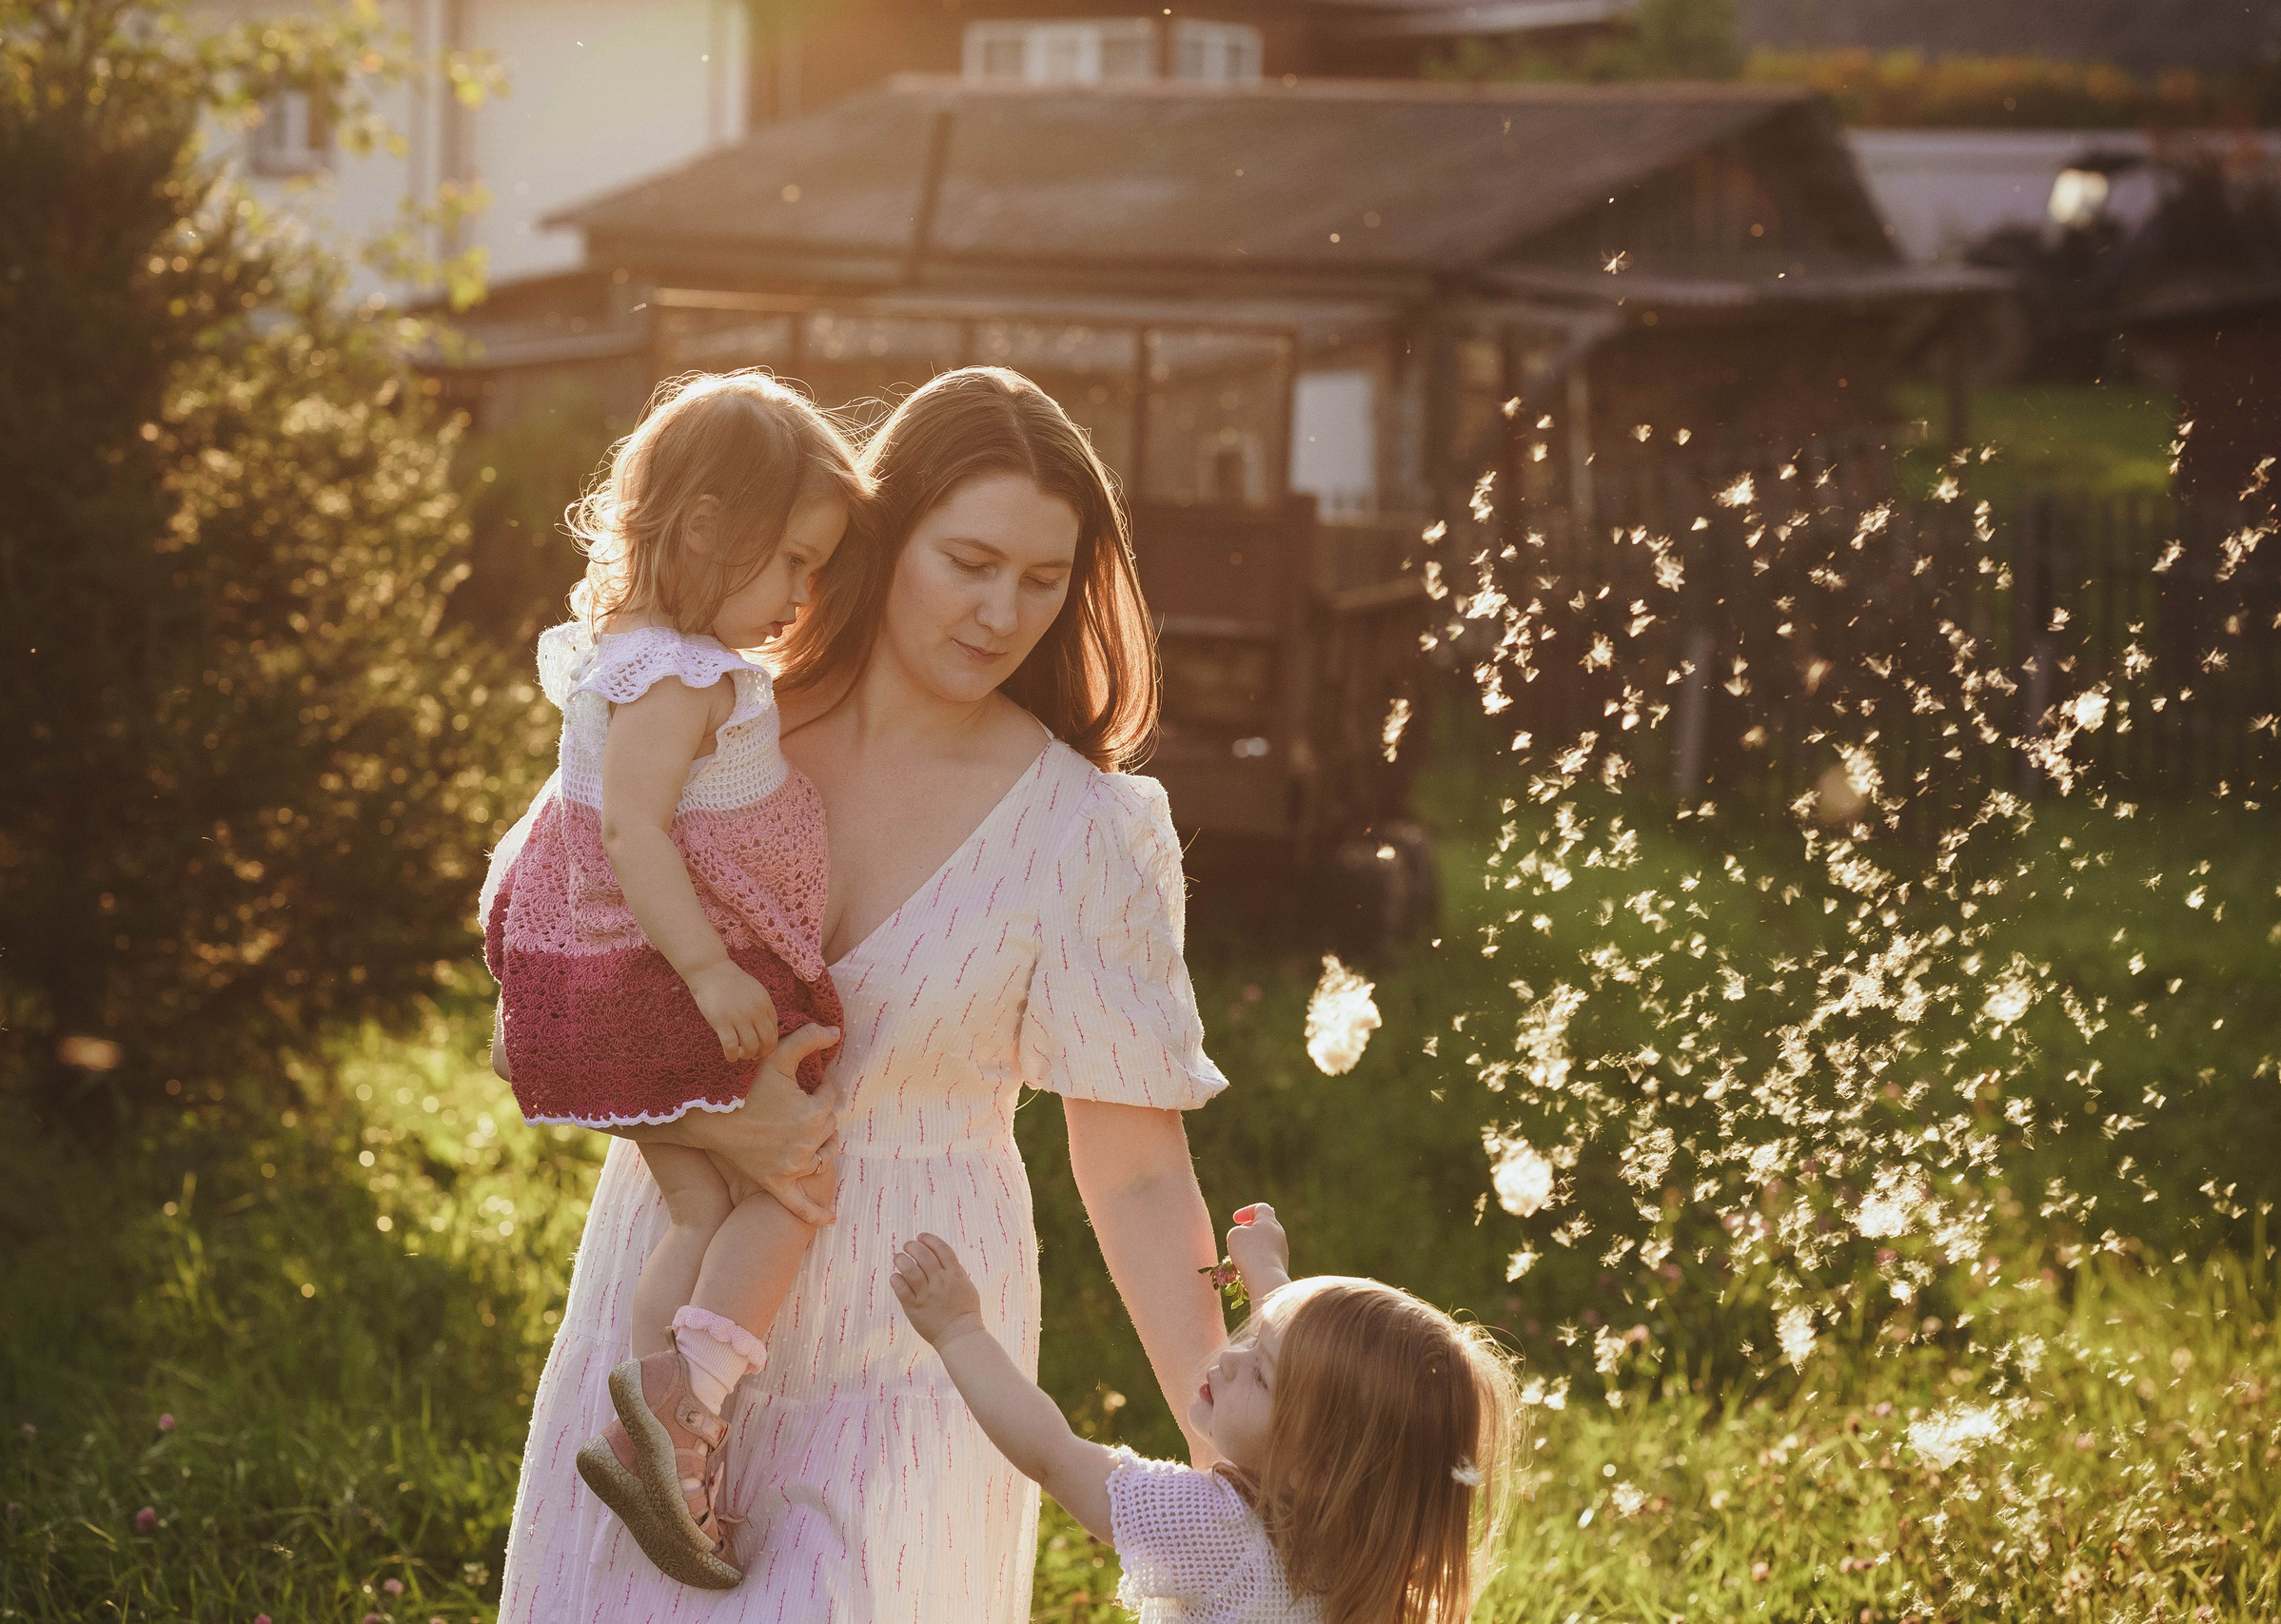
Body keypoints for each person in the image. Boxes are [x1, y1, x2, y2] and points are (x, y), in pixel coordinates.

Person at [495, 366, 1230, 1621]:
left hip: (915, 1330)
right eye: (970, 560)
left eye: (1043, 581)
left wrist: (1243, 1460)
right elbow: (547, 987)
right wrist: (706, 1121)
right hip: (660, 1300)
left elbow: (1142, 1169)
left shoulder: (1091, 827)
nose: (1004, 610)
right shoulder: (704, 713)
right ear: (881, 542)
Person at [481, 370, 868, 1587]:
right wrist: (705, 971)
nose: (802, 596)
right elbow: (633, 832)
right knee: (784, 1182)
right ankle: (679, 1414)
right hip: (651, 980)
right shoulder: (680, 675)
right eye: (792, 563)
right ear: (705, 528)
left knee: (700, 1209)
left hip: (612, 976)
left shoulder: (629, 655)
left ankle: (657, 1440)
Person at [893, 1203, 1522, 1624]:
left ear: (1322, 1461)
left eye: (1260, 1370)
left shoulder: (1216, 1529)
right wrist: (1269, 1272)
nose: (1229, 1357)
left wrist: (959, 1332)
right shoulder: (1361, 1551)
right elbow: (1319, 1388)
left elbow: (1052, 1454)